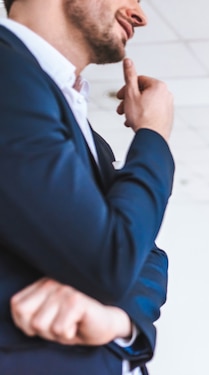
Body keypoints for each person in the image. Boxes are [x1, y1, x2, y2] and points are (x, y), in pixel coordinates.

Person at [0, 0, 174, 374]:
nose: (140, 16)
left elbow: (151, 259)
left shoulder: (95, 142)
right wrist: (153, 135)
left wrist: (117, 320)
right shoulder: (6, 75)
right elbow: (113, 259)